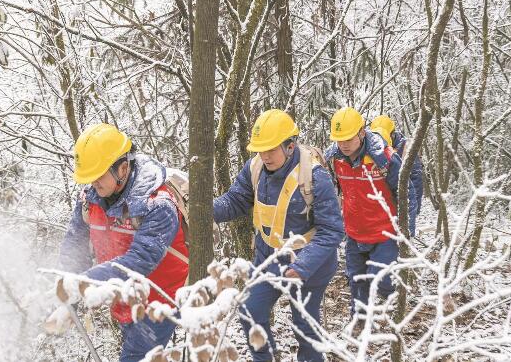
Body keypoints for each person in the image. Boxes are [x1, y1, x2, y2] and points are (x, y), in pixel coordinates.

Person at [213, 109, 344, 362]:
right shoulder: (255, 168)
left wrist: (303, 266)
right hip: (268, 257)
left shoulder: (316, 177)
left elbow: (331, 231)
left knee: (305, 325)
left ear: (290, 146)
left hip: (310, 263)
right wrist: (205, 210)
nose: (265, 156)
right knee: (250, 311)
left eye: (271, 150)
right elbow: (236, 200)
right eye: (261, 150)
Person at [52, 123, 188, 361]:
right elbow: (75, 245)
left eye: (98, 175)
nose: (92, 182)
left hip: (160, 299)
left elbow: (138, 262)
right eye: (89, 177)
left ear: (123, 168)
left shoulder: (158, 204)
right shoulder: (90, 199)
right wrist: (67, 288)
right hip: (123, 299)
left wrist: (83, 283)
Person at [325, 107, 417, 316]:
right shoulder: (334, 158)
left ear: (361, 132)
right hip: (355, 232)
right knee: (357, 280)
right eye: (339, 140)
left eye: (348, 138)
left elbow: (407, 193)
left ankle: (396, 304)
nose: (343, 144)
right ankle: (360, 321)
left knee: (383, 280)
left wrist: (407, 231)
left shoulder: (384, 157)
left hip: (385, 232)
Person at [370, 114, 424, 215]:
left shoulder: (407, 149)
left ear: (392, 134)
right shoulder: (374, 148)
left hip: (402, 204)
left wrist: (413, 210)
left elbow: (416, 179)